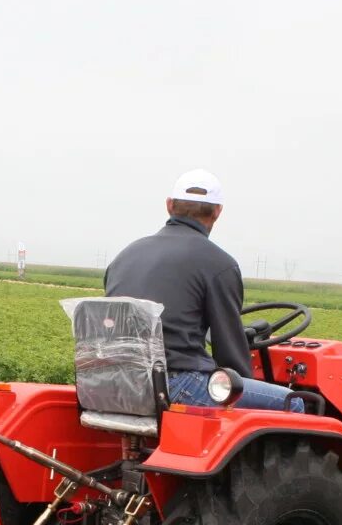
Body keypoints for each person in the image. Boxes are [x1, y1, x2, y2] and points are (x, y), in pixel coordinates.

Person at [103, 169, 304, 412]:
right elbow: (228, 348)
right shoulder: (219, 263)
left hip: (116, 382)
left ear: (169, 205)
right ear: (218, 211)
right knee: (292, 402)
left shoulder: (125, 256)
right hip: (175, 384)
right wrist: (242, 383)